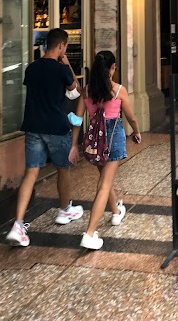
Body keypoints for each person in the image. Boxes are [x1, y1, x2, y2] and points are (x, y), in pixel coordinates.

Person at [6, 28, 84, 247]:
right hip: (56, 126)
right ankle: (65, 210)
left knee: (31, 172)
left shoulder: (31, 68)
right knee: (63, 169)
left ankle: (18, 224)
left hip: (33, 125)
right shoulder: (61, 69)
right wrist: (66, 63)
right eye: (65, 47)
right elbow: (75, 91)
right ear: (61, 46)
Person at [70, 51, 141, 250]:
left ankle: (116, 213)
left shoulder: (87, 91)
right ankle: (90, 233)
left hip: (95, 139)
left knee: (104, 179)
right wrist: (136, 132)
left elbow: (77, 119)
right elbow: (131, 118)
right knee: (103, 185)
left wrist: (74, 145)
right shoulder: (118, 91)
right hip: (112, 137)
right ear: (113, 67)